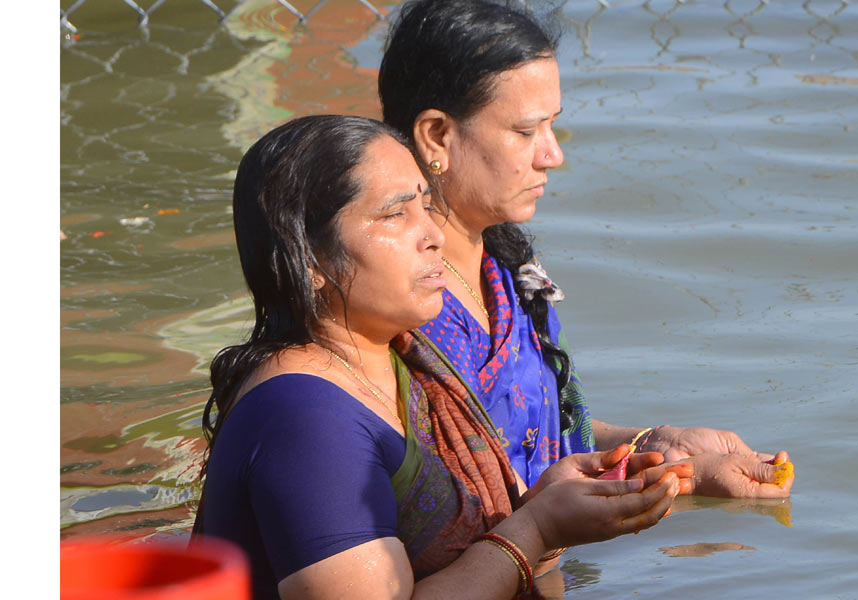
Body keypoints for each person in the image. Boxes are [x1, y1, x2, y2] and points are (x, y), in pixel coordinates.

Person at [192, 114, 689, 599]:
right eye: (395, 213)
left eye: (426, 206)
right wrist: (535, 528)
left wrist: (550, 508)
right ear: (310, 260)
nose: (431, 233)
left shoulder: (410, 364)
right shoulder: (303, 418)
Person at [378, 0, 794, 496]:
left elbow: (531, 448)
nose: (553, 154)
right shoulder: (389, 307)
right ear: (437, 136)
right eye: (526, 131)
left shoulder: (509, 273)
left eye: (553, 125)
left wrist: (659, 450)